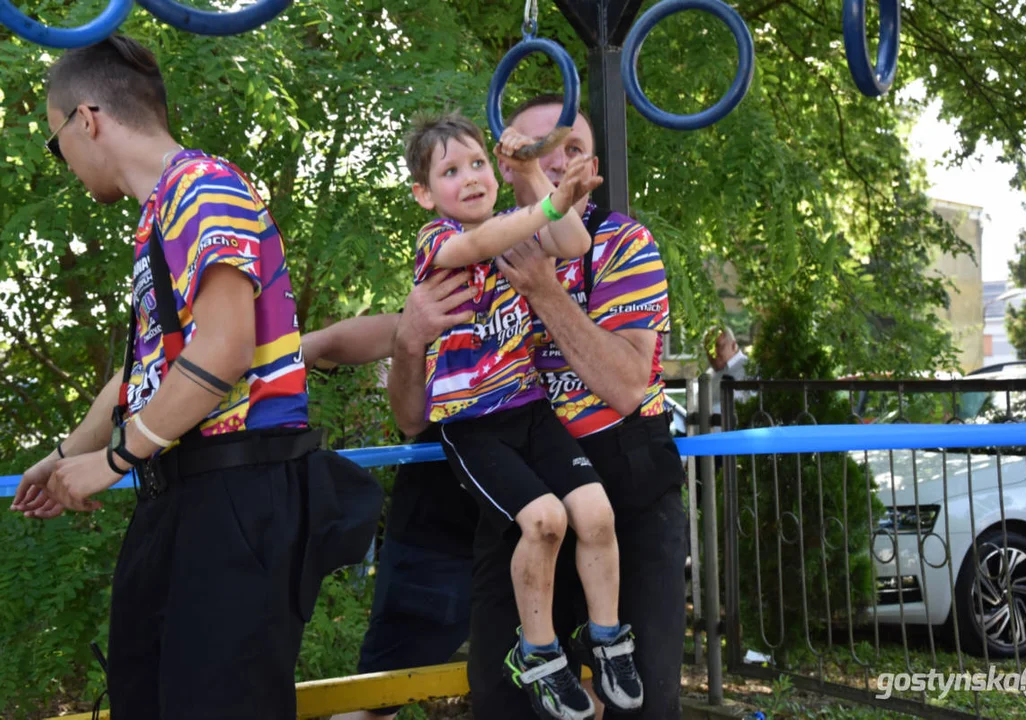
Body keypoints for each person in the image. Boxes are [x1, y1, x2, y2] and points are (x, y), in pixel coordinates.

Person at [9, 35, 382, 720]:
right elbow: (144, 371)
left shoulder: (204, 188)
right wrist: (67, 456)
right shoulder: (160, 212)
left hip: (238, 489)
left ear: (86, 119)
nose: (61, 164)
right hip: (180, 490)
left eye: (55, 144)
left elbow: (226, 349)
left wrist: (116, 459)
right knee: (144, 693)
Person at [389, 96, 688, 720]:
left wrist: (539, 212)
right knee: (505, 702)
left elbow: (629, 380)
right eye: (530, 150)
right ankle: (538, 653)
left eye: (567, 151)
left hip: (612, 469)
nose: (551, 163)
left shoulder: (619, 243)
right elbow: (405, 375)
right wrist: (399, 337)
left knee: (643, 706)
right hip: (511, 463)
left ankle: (608, 643)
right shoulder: (469, 240)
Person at [302, 274, 480, 720]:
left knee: (576, 685)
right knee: (375, 703)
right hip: (435, 539)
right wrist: (256, 361)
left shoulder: (565, 297)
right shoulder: (449, 308)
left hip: (536, 533)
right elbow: (331, 344)